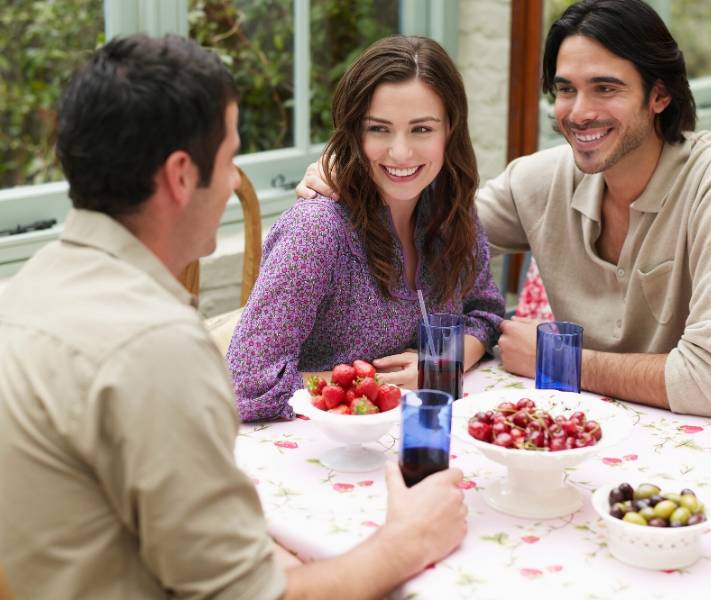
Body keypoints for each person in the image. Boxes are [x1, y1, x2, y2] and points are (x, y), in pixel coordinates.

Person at [0, 34, 468, 599]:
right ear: (179, 175)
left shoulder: (29, 290)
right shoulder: (156, 348)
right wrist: (408, 540)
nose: (232, 185)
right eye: (229, 160)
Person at [296, 0, 711, 436]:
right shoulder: (540, 180)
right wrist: (350, 169)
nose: (579, 112)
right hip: (595, 436)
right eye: (565, 89)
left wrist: (555, 358)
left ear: (660, 95)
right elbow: (429, 228)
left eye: (606, 88)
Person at [227, 35, 504, 422]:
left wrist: (445, 359)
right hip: (318, 455)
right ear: (355, 131)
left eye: (422, 129)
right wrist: (373, 382)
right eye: (379, 129)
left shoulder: (451, 209)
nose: (401, 152)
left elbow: (485, 314)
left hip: (421, 440)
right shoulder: (318, 229)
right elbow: (245, 385)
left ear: (450, 130)